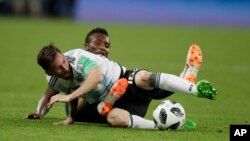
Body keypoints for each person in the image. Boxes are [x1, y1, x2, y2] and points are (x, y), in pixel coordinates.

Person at [36, 43, 217, 128]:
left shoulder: (79, 58)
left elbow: (95, 77)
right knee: (116, 119)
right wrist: (70, 118)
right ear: (49, 73)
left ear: (63, 55)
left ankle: (194, 88)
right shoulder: (54, 80)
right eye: (58, 68)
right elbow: (70, 88)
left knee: (144, 78)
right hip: (115, 103)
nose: (64, 67)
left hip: (123, 78)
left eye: (63, 62)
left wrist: (68, 97)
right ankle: (162, 125)